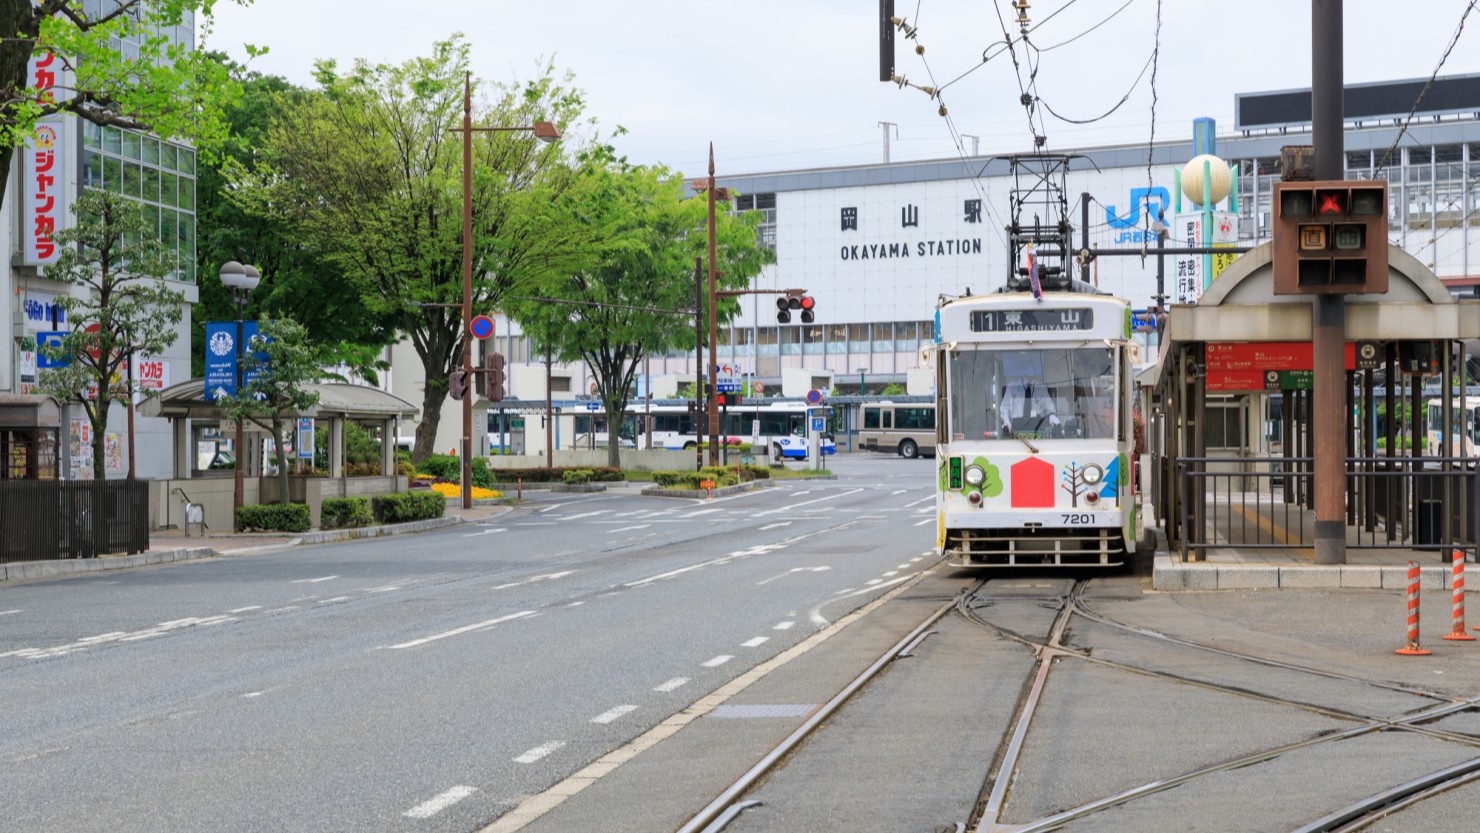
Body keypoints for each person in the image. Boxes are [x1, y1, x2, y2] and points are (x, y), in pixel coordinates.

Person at [998, 351, 1059, 436]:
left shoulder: (1041, 387)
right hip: (1017, 424)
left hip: (1036, 424)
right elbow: (1005, 407)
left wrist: (1052, 416)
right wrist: (1006, 421)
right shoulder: (1013, 386)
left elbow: (1049, 406)